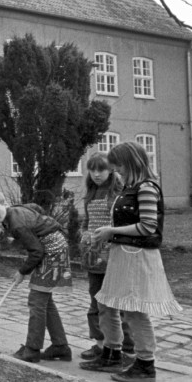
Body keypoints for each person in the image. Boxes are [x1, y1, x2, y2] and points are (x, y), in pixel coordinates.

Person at [80, 142, 182, 382]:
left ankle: (146, 364)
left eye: (120, 166)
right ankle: (111, 352)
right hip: (123, 253)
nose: (118, 170)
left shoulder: (146, 188)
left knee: (135, 312)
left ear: (131, 162)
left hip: (137, 256)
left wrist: (110, 231)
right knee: (107, 301)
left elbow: (148, 226)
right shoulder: (131, 187)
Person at [0, 192, 73, 363]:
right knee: (45, 301)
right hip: (53, 248)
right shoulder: (14, 212)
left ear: (5, 203)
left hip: (52, 251)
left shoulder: (16, 224)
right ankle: (60, 347)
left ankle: (32, 349)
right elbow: (35, 208)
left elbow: (36, 252)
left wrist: (22, 271)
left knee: (36, 300)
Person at [78, 153, 134, 361]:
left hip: (114, 254)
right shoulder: (91, 193)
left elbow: (123, 223)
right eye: (92, 170)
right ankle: (100, 343)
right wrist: (84, 234)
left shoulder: (118, 193)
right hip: (93, 254)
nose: (96, 174)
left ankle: (127, 345)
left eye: (100, 170)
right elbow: (87, 222)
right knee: (96, 299)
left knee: (117, 302)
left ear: (111, 170)